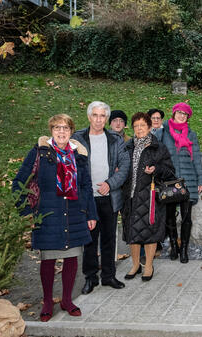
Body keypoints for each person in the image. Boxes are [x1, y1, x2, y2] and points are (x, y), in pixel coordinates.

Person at [13, 114, 97, 321]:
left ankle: (67, 300)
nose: (61, 132)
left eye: (66, 128)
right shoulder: (39, 153)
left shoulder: (79, 155)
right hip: (48, 214)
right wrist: (26, 212)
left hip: (75, 213)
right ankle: (48, 301)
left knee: (71, 258)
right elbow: (19, 183)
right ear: (51, 130)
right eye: (57, 128)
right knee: (48, 260)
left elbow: (86, 185)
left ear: (71, 131)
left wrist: (91, 213)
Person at [72, 101, 130, 294]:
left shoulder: (115, 139)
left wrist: (110, 184)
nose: (99, 119)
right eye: (95, 115)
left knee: (108, 238)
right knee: (88, 241)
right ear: (89, 117)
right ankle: (90, 278)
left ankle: (108, 276)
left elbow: (124, 166)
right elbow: (70, 168)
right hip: (88, 199)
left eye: (102, 116)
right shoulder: (77, 138)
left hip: (109, 197)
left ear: (107, 118)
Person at [121, 112, 176, 281]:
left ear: (149, 127)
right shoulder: (127, 146)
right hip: (130, 197)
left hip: (150, 198)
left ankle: (149, 266)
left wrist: (156, 170)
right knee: (133, 232)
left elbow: (170, 172)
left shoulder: (158, 147)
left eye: (142, 126)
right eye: (136, 126)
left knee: (150, 232)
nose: (139, 129)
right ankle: (135, 264)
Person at [159, 102, 202, 263]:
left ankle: (184, 249)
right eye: (179, 113)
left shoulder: (191, 134)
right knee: (170, 216)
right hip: (170, 181)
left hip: (188, 179)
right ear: (173, 114)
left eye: (184, 114)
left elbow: (197, 158)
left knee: (186, 217)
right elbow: (156, 154)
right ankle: (173, 244)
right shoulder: (163, 132)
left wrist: (201, 179)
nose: (181, 116)